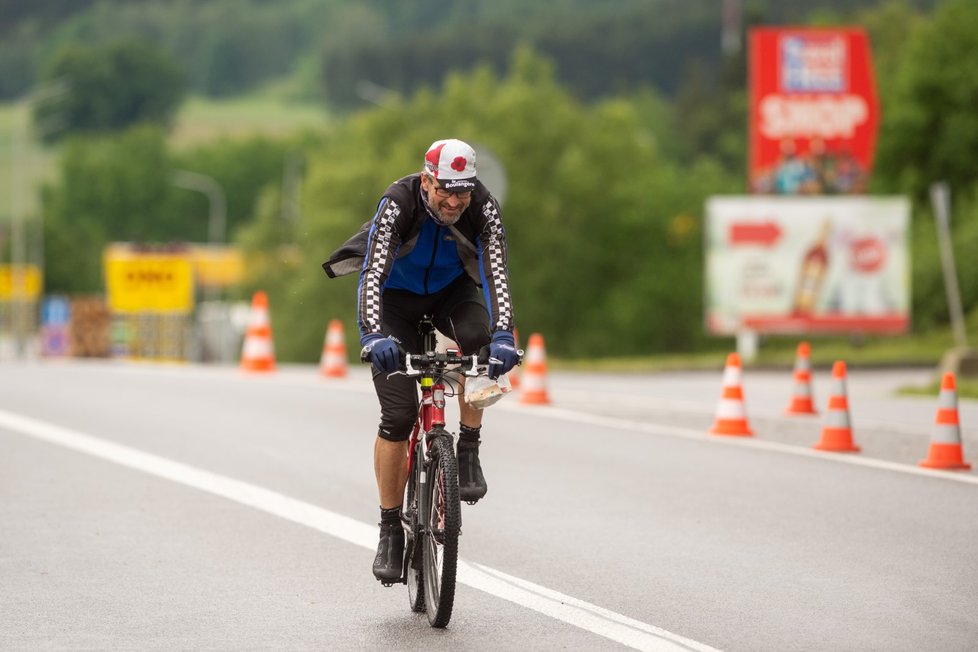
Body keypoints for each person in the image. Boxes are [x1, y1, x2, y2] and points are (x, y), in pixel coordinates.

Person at [322, 138, 518, 583]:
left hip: (452, 293)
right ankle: (390, 528)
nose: (453, 201)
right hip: (395, 303)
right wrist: (373, 335)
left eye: (462, 192)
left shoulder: (482, 206)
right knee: (398, 415)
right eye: (445, 189)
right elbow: (372, 272)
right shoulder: (399, 201)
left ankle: (468, 447)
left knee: (478, 344)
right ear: (427, 180)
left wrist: (504, 334)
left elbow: (496, 273)